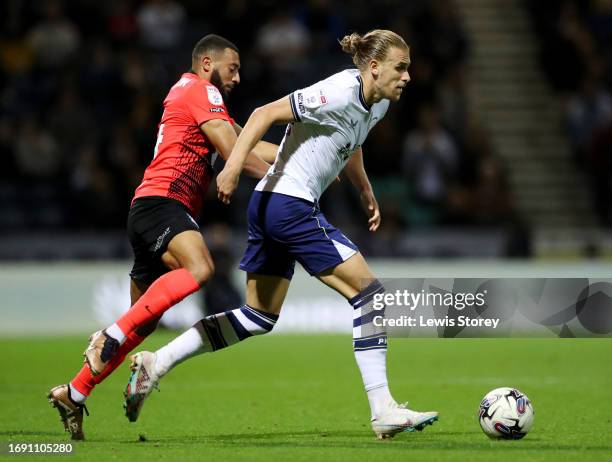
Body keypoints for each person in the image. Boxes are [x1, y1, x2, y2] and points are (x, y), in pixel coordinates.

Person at [127, 29, 438, 440]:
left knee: (258, 316)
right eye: (400, 68)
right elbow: (263, 115)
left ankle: (158, 362)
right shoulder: (339, 90)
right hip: (288, 202)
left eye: (409, 68)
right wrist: (234, 166)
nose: (407, 77)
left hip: (273, 204)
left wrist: (365, 190)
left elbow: (353, 140)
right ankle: (382, 408)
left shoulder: (376, 103)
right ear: (374, 67)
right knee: (369, 295)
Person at [47, 34, 277, 440]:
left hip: (149, 208)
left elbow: (249, 145)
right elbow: (232, 151)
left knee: (145, 321)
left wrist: (302, 154)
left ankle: (75, 392)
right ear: (207, 64)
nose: (238, 77)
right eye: (233, 68)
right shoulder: (199, 90)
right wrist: (285, 182)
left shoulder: (198, 96)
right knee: (201, 267)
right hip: (163, 204)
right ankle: (108, 335)